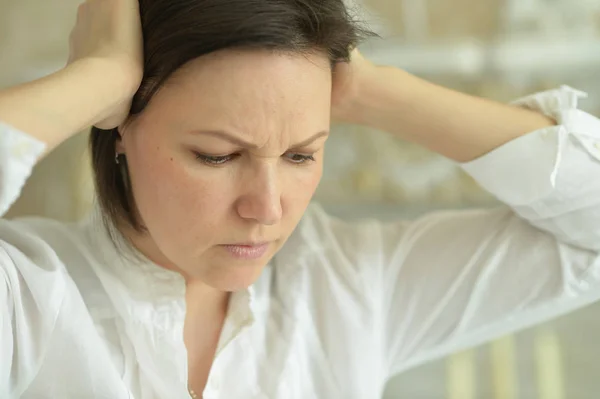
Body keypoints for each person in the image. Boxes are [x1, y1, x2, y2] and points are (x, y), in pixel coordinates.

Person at [2, 0, 600, 397]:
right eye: (218, 155)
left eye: (300, 156)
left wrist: (374, 90)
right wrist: (98, 78)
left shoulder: (349, 286)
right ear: (120, 128)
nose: (267, 208)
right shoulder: (29, 299)